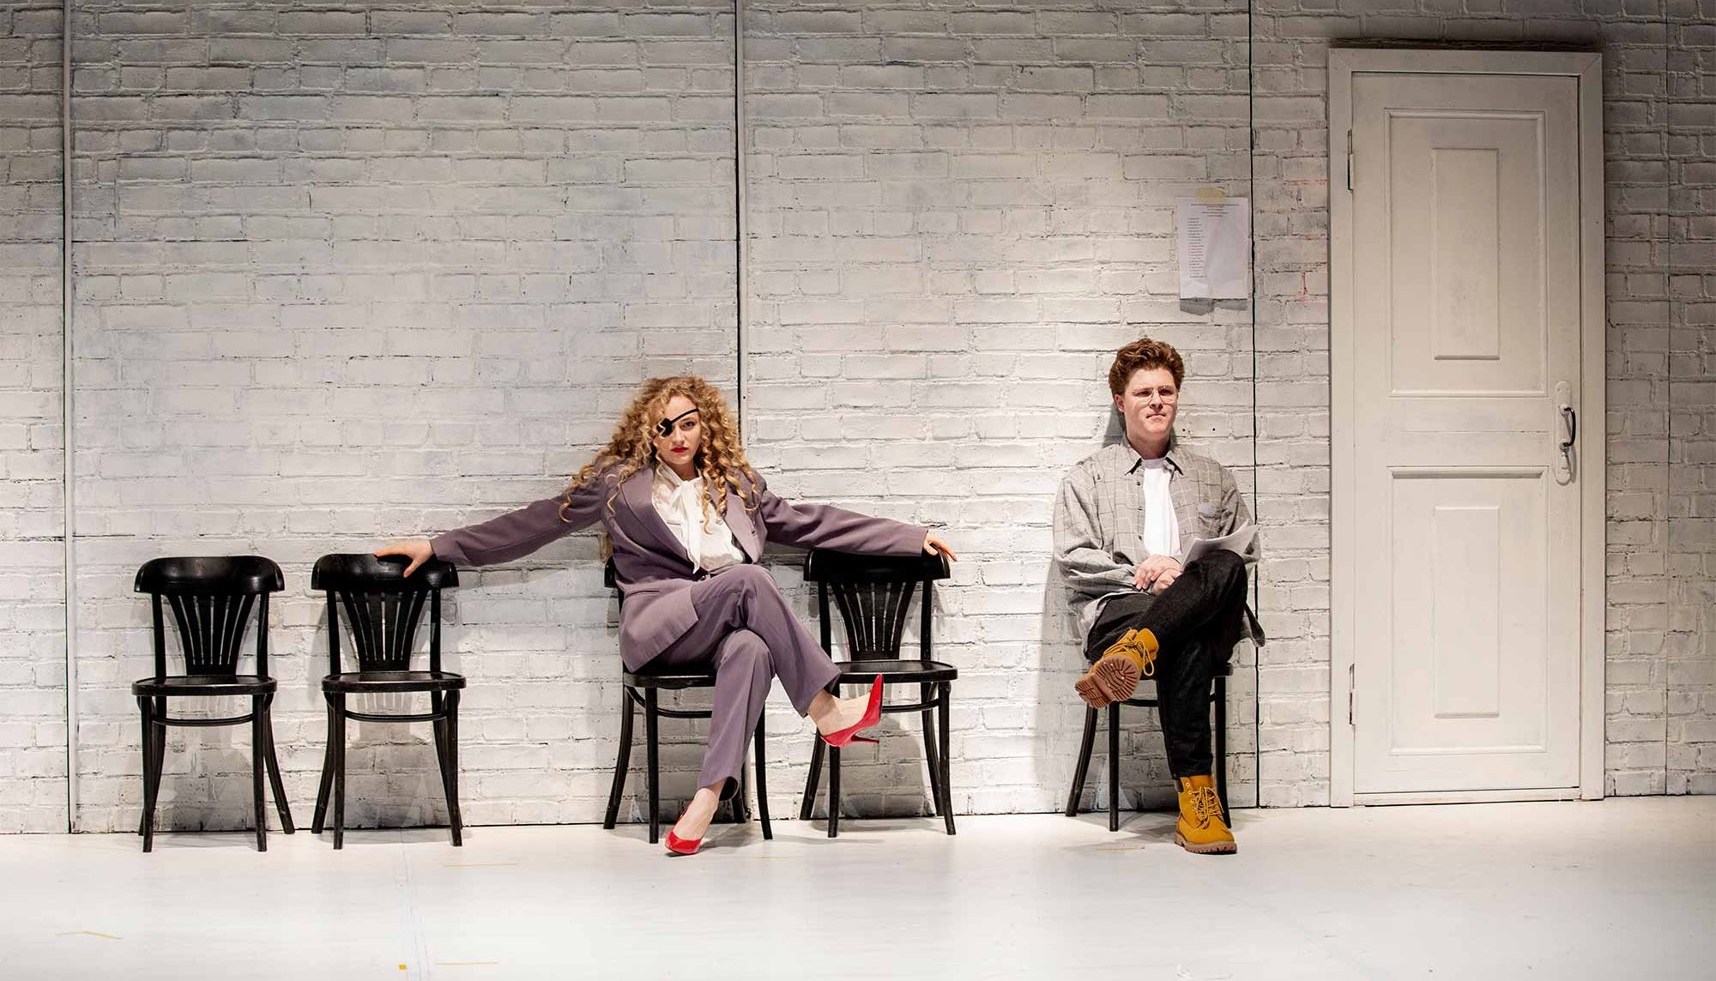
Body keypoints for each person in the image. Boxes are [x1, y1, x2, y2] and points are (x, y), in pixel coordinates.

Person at [378, 375, 955, 856]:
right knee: (751, 578)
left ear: (705, 427)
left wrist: (910, 537)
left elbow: (815, 523)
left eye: (688, 423)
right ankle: (826, 709)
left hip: (719, 627)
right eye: (664, 427)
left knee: (753, 647)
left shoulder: (738, 487)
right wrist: (439, 545)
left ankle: (705, 800)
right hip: (656, 626)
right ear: (648, 434)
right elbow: (532, 524)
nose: (678, 436)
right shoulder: (618, 488)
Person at [1052, 337, 1261, 854]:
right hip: (1121, 610)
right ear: (1120, 402)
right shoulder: (1087, 477)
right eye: (1143, 392)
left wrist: (1183, 575)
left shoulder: (1214, 477)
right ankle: (1197, 800)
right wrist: (1142, 574)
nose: (1156, 401)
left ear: (1177, 397)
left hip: (1198, 621)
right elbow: (1073, 558)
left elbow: (1243, 554)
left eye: (1166, 391)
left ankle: (1140, 648)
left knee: (1225, 566)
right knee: (1183, 637)